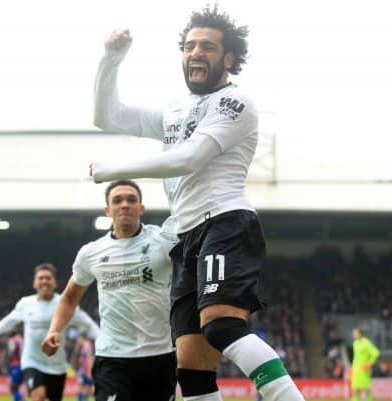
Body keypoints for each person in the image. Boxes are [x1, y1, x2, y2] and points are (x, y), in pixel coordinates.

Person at [89, 5, 305, 401]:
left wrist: (113, 169)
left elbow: (189, 157)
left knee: (221, 327)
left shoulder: (235, 104)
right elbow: (107, 116)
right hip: (186, 237)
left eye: (207, 46)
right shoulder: (174, 111)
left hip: (224, 222)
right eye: (189, 46)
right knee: (191, 368)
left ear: (229, 58)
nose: (195, 53)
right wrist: (111, 60)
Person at [41, 180, 177, 401]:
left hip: (159, 356)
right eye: (117, 200)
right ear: (108, 210)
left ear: (141, 208)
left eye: (131, 200)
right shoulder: (91, 253)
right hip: (113, 359)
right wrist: (54, 330)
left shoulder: (163, 241)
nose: (125, 205)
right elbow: (68, 299)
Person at [0, 263, 100, 401]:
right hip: (32, 362)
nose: (44, 281)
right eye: (40, 278)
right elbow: (9, 321)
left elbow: (88, 324)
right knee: (38, 396)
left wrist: (103, 341)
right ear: (34, 283)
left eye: (48, 278)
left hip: (57, 366)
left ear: (54, 282)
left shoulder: (65, 304)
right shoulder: (25, 303)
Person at [351, 328, 379, 401]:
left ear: (360, 334)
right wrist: (352, 367)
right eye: (353, 334)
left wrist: (370, 363)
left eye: (355, 333)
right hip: (356, 368)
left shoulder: (366, 343)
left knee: (366, 387)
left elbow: (376, 353)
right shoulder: (355, 343)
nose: (353, 335)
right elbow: (356, 356)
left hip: (364, 368)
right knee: (355, 386)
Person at [75, 335, 94, 401]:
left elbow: (89, 359)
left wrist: (89, 371)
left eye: (78, 339)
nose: (77, 341)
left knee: (84, 388)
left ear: (81, 338)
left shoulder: (87, 345)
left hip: (85, 370)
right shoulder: (84, 346)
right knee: (83, 388)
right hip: (83, 370)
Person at [7, 332, 24, 401]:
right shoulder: (23, 340)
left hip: (16, 365)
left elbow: (11, 351)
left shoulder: (13, 340)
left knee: (13, 387)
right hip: (24, 365)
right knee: (16, 387)